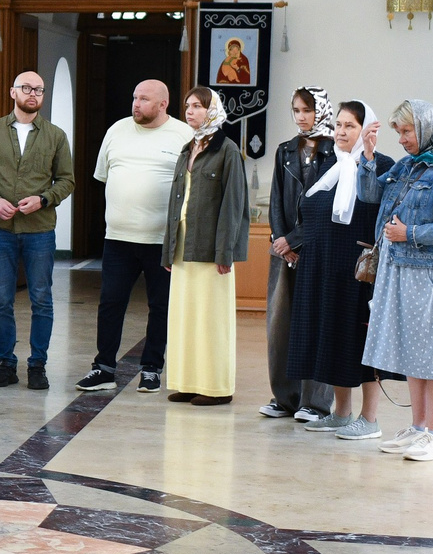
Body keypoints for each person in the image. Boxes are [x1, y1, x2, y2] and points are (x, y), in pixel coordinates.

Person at [361, 99, 433, 462]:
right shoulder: (408, 166)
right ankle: (418, 428)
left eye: (407, 132)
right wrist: (367, 156)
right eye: (398, 133)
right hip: (400, 269)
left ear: (426, 129)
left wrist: (410, 233)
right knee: (413, 353)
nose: (402, 140)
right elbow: (370, 195)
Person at [287, 100, 393, 440]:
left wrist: (371, 159)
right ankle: (342, 413)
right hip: (323, 271)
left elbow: (377, 206)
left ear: (366, 129)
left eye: (349, 125)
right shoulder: (329, 167)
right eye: (338, 125)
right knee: (333, 340)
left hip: (358, 276)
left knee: (361, 344)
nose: (341, 131)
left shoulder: (381, 166)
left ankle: (370, 419)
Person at [77, 80, 189, 394]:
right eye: (134, 97)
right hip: (118, 238)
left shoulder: (183, 135)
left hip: (162, 241)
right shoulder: (117, 131)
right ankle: (103, 368)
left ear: (164, 104)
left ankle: (151, 369)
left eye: (144, 98)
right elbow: (103, 176)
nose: (136, 104)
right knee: (110, 302)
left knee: (161, 306)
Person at [0, 70, 75, 390]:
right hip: (1, 228)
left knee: (41, 298)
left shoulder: (55, 136)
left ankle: (38, 365)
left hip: (39, 229)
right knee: (1, 298)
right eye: (26, 88)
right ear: (13, 92)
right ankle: (6, 364)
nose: (33, 94)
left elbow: (67, 180)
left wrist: (43, 199)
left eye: (39, 90)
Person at [160, 87, 248, 404]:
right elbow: (175, 202)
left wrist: (225, 252)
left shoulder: (227, 151)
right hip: (184, 244)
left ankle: (216, 387)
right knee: (185, 316)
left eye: (198, 106)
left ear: (212, 111)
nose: (190, 111)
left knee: (212, 320)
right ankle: (188, 381)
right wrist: (168, 249)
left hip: (211, 249)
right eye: (187, 106)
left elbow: (233, 205)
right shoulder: (187, 149)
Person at [262, 88, 340, 421]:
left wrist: (296, 239)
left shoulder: (336, 153)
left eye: (307, 109)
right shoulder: (285, 151)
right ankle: (285, 398)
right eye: (295, 110)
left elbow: (330, 206)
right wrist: (281, 240)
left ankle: (316, 403)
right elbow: (276, 201)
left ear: (321, 110)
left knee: (317, 324)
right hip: (284, 252)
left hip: (318, 250)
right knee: (280, 325)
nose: (300, 116)